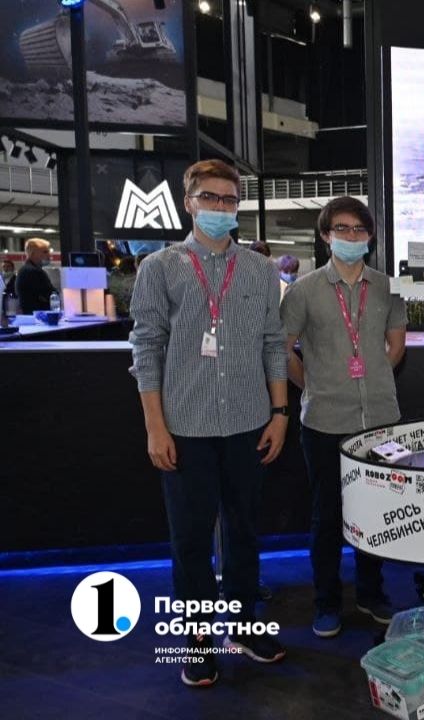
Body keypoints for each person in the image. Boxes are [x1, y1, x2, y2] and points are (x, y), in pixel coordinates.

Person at [130, 159, 289, 688]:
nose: (220, 207)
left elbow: (273, 345)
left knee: (244, 531)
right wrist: (155, 427)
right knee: (191, 540)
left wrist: (280, 413)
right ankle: (197, 641)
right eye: (210, 197)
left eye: (229, 199)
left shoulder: (260, 271)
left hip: (249, 422)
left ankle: (243, 626)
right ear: (188, 202)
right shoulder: (160, 267)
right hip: (186, 427)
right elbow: (146, 349)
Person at [283, 197, 406, 637]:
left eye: (359, 229)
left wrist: (371, 378)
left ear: (369, 236)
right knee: (327, 517)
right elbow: (282, 350)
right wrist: (314, 385)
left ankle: (372, 593)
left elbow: (396, 345)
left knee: (376, 512)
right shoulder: (304, 290)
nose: (352, 236)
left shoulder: (387, 287)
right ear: (325, 236)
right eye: (342, 228)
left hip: (380, 420)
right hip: (324, 422)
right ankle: (326, 602)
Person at [16, 238, 55, 313]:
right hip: (38, 316)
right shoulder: (35, 272)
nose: (49, 255)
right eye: (45, 252)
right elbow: (51, 295)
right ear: (33, 254)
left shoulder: (24, 270)